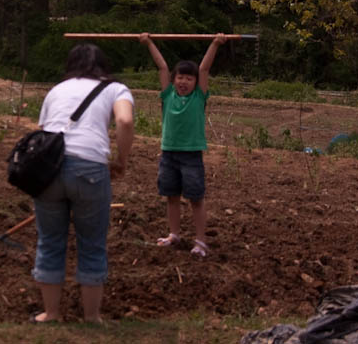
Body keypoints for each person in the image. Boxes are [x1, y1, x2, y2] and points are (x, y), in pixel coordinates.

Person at [31, 43, 135, 324]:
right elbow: (124, 121)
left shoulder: (57, 90)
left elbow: (44, 133)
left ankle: (51, 314)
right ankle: (91, 317)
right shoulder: (115, 88)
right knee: (92, 243)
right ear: (103, 65)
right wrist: (121, 160)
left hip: (49, 170)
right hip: (90, 168)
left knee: (50, 241)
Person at [139, 32, 227, 257]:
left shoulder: (199, 98)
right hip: (168, 154)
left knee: (195, 199)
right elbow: (162, 66)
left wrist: (215, 43)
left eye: (189, 78)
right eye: (180, 77)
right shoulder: (167, 95)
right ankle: (174, 234)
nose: (184, 81)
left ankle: (200, 240)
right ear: (174, 79)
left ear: (196, 83)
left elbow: (205, 68)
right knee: (171, 196)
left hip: (191, 156)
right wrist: (148, 42)